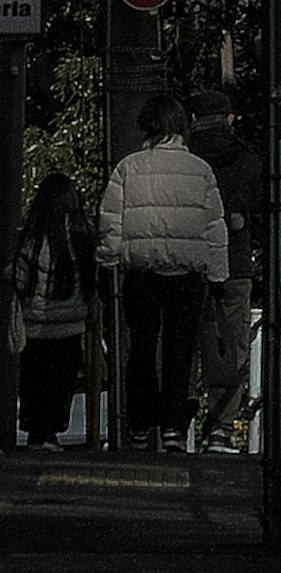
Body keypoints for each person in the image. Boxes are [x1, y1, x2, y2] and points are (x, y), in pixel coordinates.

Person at [97, 96, 228, 447]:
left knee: (141, 347)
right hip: (187, 275)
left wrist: (107, 260)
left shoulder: (128, 167)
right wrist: (218, 276)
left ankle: (140, 422)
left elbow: (112, 223)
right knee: (179, 351)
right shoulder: (201, 170)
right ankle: (173, 427)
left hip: (141, 272)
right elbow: (215, 227)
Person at [11, 168, 94, 447]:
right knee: (61, 382)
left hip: (36, 323)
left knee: (34, 379)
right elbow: (90, 281)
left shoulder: (31, 237)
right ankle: (51, 432)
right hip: (70, 324)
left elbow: (20, 278)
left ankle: (35, 432)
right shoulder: (80, 238)